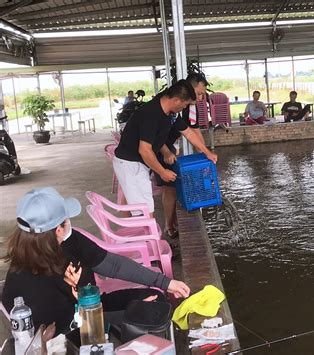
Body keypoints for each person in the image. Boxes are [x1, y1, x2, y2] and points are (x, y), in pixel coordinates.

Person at [2, 187, 190, 341]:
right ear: (58, 229)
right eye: (66, 219)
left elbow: (112, 265)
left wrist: (165, 282)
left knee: (156, 298)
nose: (69, 223)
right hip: (70, 336)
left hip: (92, 305)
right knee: (150, 316)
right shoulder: (27, 282)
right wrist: (131, 315)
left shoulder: (71, 240)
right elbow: (63, 333)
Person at [113, 80, 217, 218]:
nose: (184, 108)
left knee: (143, 207)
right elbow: (144, 150)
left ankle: (145, 236)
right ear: (176, 100)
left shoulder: (170, 113)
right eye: (185, 104)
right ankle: (148, 238)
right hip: (130, 164)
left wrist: (207, 152)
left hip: (138, 163)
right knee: (144, 211)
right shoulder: (151, 114)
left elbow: (188, 132)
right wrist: (162, 172)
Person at [157, 73, 208, 238]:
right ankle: (169, 225)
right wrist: (166, 151)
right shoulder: (169, 104)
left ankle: (174, 221)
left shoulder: (190, 107)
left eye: (202, 95)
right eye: (199, 93)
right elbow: (154, 137)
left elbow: (193, 130)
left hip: (168, 145)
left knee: (175, 184)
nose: (200, 98)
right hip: (159, 146)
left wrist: (205, 153)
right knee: (170, 187)